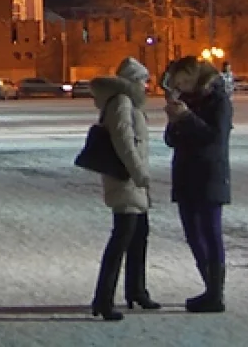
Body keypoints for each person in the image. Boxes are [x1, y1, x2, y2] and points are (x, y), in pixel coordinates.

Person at [88, 57, 159, 321]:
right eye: (143, 80)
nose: (146, 86)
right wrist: (138, 173)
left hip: (132, 180)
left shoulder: (129, 103)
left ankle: (136, 290)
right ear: (132, 81)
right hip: (125, 178)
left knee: (139, 235)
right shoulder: (122, 102)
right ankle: (103, 298)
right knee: (121, 239)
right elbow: (124, 142)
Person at [164, 56, 233, 314]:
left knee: (210, 232)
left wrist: (186, 117)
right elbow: (171, 140)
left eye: (181, 80)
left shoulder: (219, 100)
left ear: (194, 76)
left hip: (209, 175)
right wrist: (175, 121)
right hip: (186, 173)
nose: (178, 86)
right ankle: (209, 289)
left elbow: (215, 138)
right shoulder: (187, 100)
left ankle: (215, 293)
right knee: (193, 234)